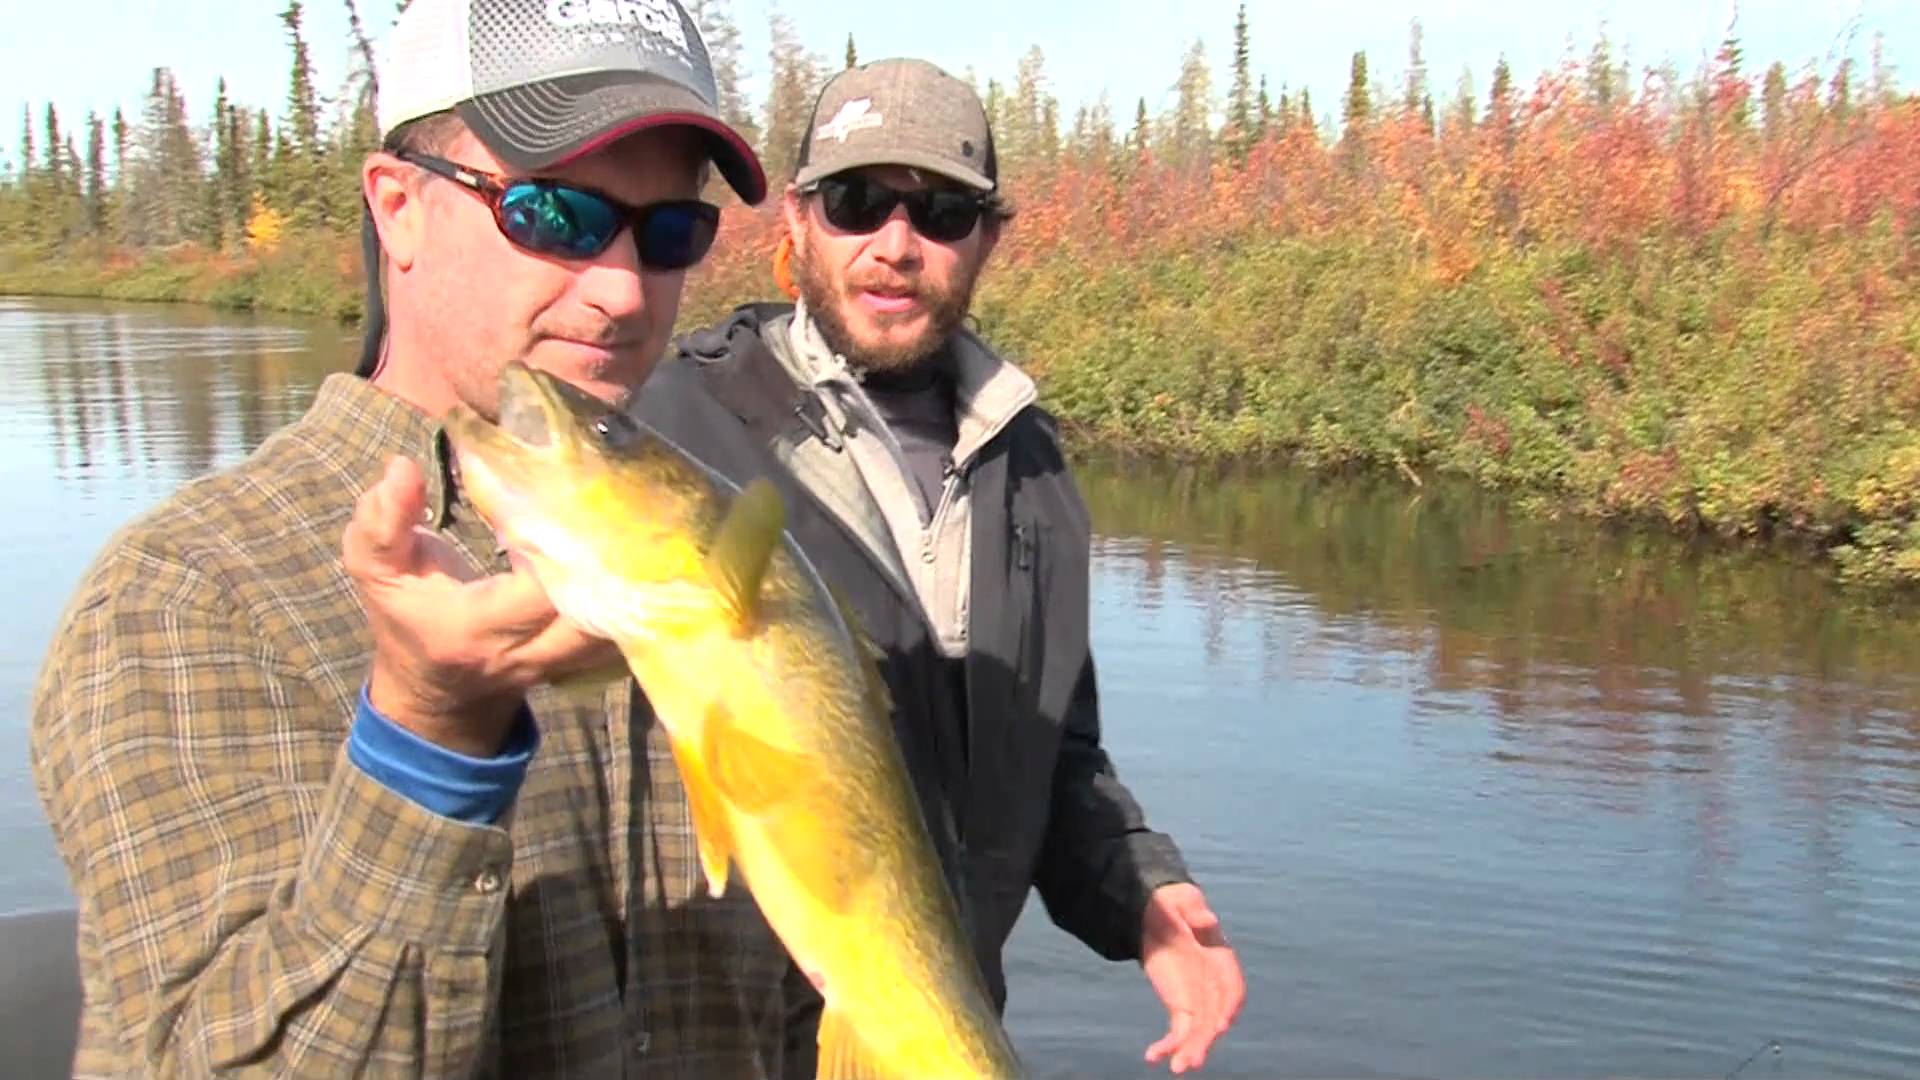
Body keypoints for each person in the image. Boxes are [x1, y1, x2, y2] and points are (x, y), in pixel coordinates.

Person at [27, 0, 804, 1074]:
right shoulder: (188, 594)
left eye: (672, 231)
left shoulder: (721, 544)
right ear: (397, 209)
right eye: (554, 214)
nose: (625, 288)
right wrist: (430, 731)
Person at [654, 57, 1246, 1075]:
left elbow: (1054, 754)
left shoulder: (1034, 468)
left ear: (989, 238)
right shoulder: (673, 425)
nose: (895, 244)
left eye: (939, 212)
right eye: (856, 202)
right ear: (795, 220)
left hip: (935, 1031)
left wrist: (1140, 889)